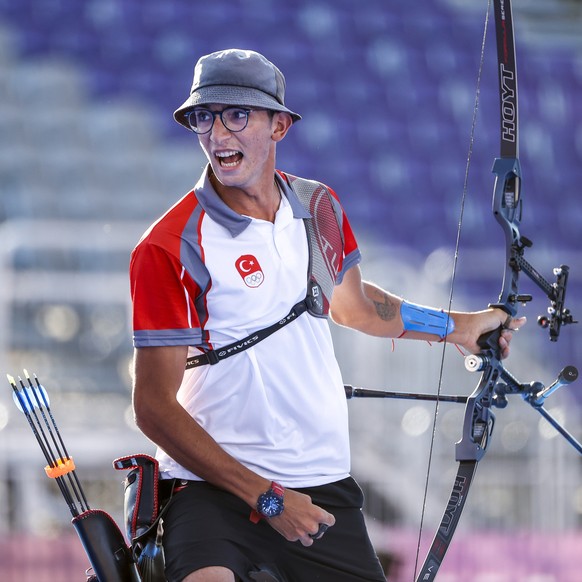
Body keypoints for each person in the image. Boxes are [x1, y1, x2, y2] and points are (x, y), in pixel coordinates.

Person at [129, 49, 525, 582]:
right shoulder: (169, 246)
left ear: (280, 125)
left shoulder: (317, 207)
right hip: (211, 492)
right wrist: (268, 500)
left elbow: (355, 307)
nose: (218, 133)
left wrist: (458, 327)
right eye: (205, 117)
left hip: (320, 487)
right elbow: (153, 407)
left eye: (238, 115)